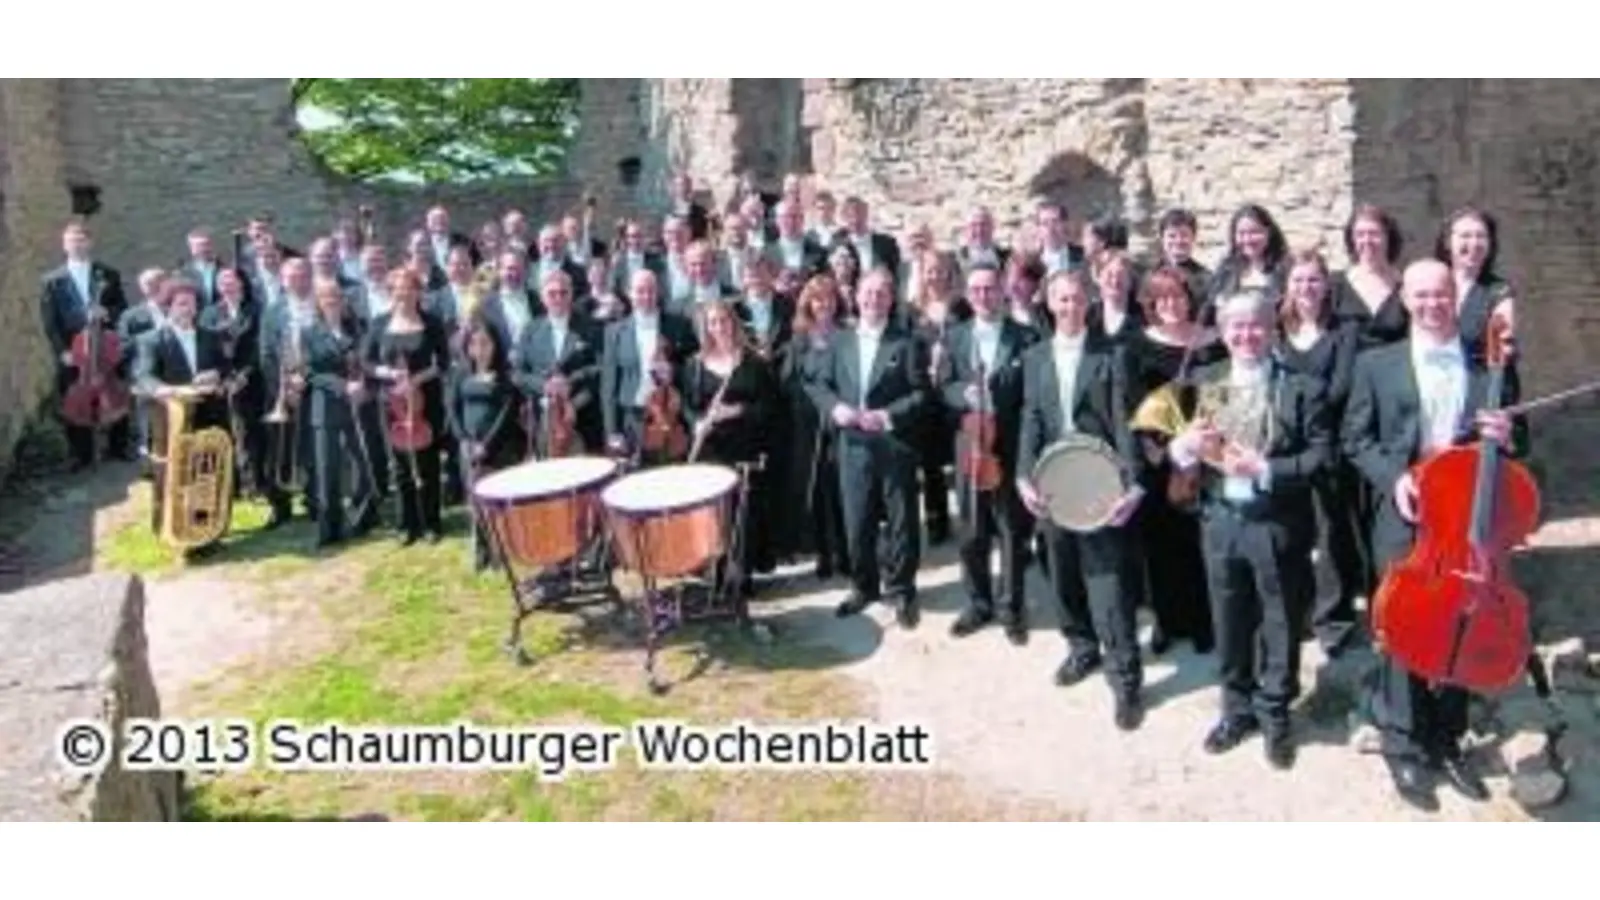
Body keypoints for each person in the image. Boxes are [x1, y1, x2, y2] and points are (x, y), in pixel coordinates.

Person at [1342, 258, 1527, 811]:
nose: (1431, 304)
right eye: (1420, 295)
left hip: (1467, 516)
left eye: (1441, 294)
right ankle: (1402, 740)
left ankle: (1447, 738)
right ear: (1405, 297)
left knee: (1462, 624)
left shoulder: (1486, 365)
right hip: (1405, 513)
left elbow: (1522, 447)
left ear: (1455, 296)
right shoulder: (1376, 364)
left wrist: (1508, 434)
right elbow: (1355, 439)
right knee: (1402, 626)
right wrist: (1393, 477)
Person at [1167, 290, 1329, 770]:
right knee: (1229, 618)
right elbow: (1178, 455)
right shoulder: (1205, 381)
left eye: (1256, 325)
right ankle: (1236, 710)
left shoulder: (1300, 387)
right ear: (1222, 330)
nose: (1246, 335)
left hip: (1277, 523)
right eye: (1236, 326)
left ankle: (1275, 712)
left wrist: (1266, 468)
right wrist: (1185, 445)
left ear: (1272, 329)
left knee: (1280, 622)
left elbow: (1322, 457)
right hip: (1221, 521)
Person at [1016, 269, 1148, 728]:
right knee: (1061, 569)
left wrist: (1131, 484)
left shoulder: (1111, 355)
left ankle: (1126, 678)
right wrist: (1021, 477)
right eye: (1061, 299)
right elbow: (1031, 419)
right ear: (1049, 303)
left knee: (1107, 580)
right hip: (1052, 480)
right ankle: (1081, 647)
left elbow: (1124, 420)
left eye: (1076, 298)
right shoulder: (1035, 357)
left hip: (1099, 480)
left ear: (1087, 302)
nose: (1070, 307)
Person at [806, 269, 930, 629]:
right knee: (857, 519)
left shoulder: (907, 343)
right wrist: (835, 408)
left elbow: (922, 394)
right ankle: (864, 586)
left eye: (881, 294)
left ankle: (903, 588)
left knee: (902, 519)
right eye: (867, 293)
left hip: (895, 442)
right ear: (856, 297)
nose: (873, 300)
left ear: (891, 300)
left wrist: (887, 416)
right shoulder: (839, 341)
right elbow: (818, 385)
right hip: (852, 445)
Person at [941, 264, 1038, 645]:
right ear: (968, 294)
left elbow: (1032, 395)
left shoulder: (1026, 337)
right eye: (977, 290)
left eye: (991, 289)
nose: (984, 296)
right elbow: (944, 385)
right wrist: (961, 394)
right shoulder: (956, 336)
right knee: (971, 529)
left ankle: (1012, 607)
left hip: (1011, 444)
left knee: (1012, 530)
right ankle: (978, 603)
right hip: (969, 443)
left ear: (1003, 292)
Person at [682, 299, 781, 596]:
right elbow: (688, 405)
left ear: (733, 323)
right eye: (713, 322)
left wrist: (737, 411)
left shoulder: (753, 362)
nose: (719, 327)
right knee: (714, 514)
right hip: (711, 450)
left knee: (743, 513)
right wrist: (695, 422)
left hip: (745, 449)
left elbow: (770, 406)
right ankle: (716, 571)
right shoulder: (695, 365)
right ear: (706, 328)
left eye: (724, 320)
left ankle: (742, 574)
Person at [135, 279, 231, 547]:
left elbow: (225, 369)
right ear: (168, 307)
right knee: (171, 475)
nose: (188, 309)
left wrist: (217, 374)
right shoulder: (151, 340)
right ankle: (167, 529)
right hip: (171, 419)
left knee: (207, 474)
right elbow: (143, 376)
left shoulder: (210, 335)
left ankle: (207, 530)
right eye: (181, 303)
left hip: (209, 414)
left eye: (192, 303)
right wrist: (165, 390)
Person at [366, 269, 451, 545]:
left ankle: (431, 523)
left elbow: (444, 362)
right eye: (398, 288)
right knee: (400, 464)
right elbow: (365, 362)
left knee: (428, 463)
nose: (403, 293)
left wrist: (416, 379)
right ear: (391, 292)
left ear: (418, 291)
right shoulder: (379, 324)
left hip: (426, 400)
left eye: (409, 287)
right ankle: (407, 524)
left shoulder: (432, 322)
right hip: (391, 402)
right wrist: (389, 374)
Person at [40, 220, 133, 468]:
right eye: (72, 240)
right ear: (64, 245)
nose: (77, 244)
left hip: (105, 348)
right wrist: (62, 352)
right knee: (74, 400)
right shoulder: (52, 280)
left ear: (90, 243)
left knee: (115, 393)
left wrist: (107, 312)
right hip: (74, 350)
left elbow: (122, 309)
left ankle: (117, 448)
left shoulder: (108, 274)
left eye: (81, 240)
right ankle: (80, 454)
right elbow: (50, 322)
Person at [302, 280, 379, 549]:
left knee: (365, 464)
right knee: (327, 469)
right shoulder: (309, 333)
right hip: (326, 409)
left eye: (336, 296)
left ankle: (363, 519)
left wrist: (364, 386)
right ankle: (329, 529)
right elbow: (311, 373)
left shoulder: (357, 330)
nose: (332, 301)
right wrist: (344, 386)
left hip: (358, 407)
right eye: (326, 297)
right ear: (319, 303)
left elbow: (369, 362)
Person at [599, 269, 699, 464]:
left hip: (670, 416)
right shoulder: (614, 332)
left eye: (651, 290)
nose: (646, 296)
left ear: (658, 292)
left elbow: (694, 367)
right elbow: (608, 385)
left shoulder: (678, 325)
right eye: (640, 291)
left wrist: (674, 371)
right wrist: (612, 430)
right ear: (630, 293)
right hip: (632, 418)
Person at [449, 323, 522, 571]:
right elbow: (453, 409)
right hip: (468, 449)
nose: (480, 350)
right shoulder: (460, 373)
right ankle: (480, 550)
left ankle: (500, 550)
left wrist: (487, 445)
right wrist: (464, 441)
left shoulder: (505, 376)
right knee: (476, 502)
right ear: (467, 347)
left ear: (495, 346)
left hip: (498, 448)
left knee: (498, 502)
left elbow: (506, 413)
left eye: (485, 343)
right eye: (474, 344)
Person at [513, 269, 604, 456]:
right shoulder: (531, 330)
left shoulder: (590, 327)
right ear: (542, 297)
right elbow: (518, 373)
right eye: (552, 293)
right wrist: (545, 386)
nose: (558, 298)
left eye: (563, 293)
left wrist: (570, 381)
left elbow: (601, 367)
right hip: (543, 421)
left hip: (583, 415)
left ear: (572, 295)